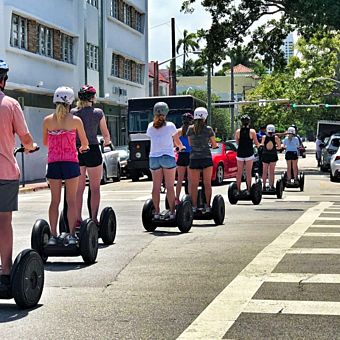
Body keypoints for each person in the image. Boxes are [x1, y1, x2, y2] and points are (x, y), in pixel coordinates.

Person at [0, 59, 37, 288]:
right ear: (3, 80)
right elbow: (25, 138)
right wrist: (31, 147)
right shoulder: (10, 104)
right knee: (4, 221)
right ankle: (5, 272)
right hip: (4, 172)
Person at [43, 87, 89, 245]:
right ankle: (70, 235)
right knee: (71, 200)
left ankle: (53, 235)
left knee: (54, 201)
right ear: (70, 102)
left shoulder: (47, 120)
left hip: (54, 163)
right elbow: (84, 143)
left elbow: (45, 142)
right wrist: (82, 148)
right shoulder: (75, 120)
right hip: (70, 163)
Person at [71, 85, 111, 225]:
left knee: (79, 188)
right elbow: (105, 134)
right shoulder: (98, 112)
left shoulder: (73, 112)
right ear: (93, 98)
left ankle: (77, 219)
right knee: (95, 188)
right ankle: (94, 219)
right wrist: (107, 142)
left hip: (77, 150)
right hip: (93, 149)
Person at [146, 102, 185, 219]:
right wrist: (181, 147)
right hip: (168, 157)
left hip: (153, 158)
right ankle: (173, 212)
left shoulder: (150, 126)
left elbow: (152, 137)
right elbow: (177, 142)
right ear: (166, 112)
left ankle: (156, 212)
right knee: (169, 186)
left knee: (156, 187)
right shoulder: (171, 126)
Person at [187, 107, 218, 213]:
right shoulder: (208, 129)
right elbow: (214, 144)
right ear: (205, 117)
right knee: (207, 183)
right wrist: (212, 146)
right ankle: (208, 206)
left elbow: (190, 144)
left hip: (194, 158)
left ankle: (194, 207)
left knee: (194, 184)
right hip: (206, 158)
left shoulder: (190, 129)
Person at [235, 115, 260, 193]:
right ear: (249, 122)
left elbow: (237, 143)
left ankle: (238, 190)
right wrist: (260, 145)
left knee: (239, 172)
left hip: (240, 153)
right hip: (249, 153)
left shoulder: (238, 131)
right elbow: (256, 143)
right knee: (248, 172)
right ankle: (249, 189)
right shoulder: (252, 131)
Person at [175, 112, 193, 204]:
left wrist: (178, 147)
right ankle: (189, 199)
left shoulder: (178, 131)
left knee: (179, 180)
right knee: (190, 179)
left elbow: (174, 142)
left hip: (182, 155)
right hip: (190, 155)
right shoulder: (193, 130)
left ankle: (176, 199)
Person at [261, 124, 281, 190]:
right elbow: (279, 147)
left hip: (265, 154)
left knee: (264, 171)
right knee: (271, 171)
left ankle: (263, 186)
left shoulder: (264, 137)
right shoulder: (276, 137)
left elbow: (262, 144)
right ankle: (271, 186)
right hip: (273, 154)